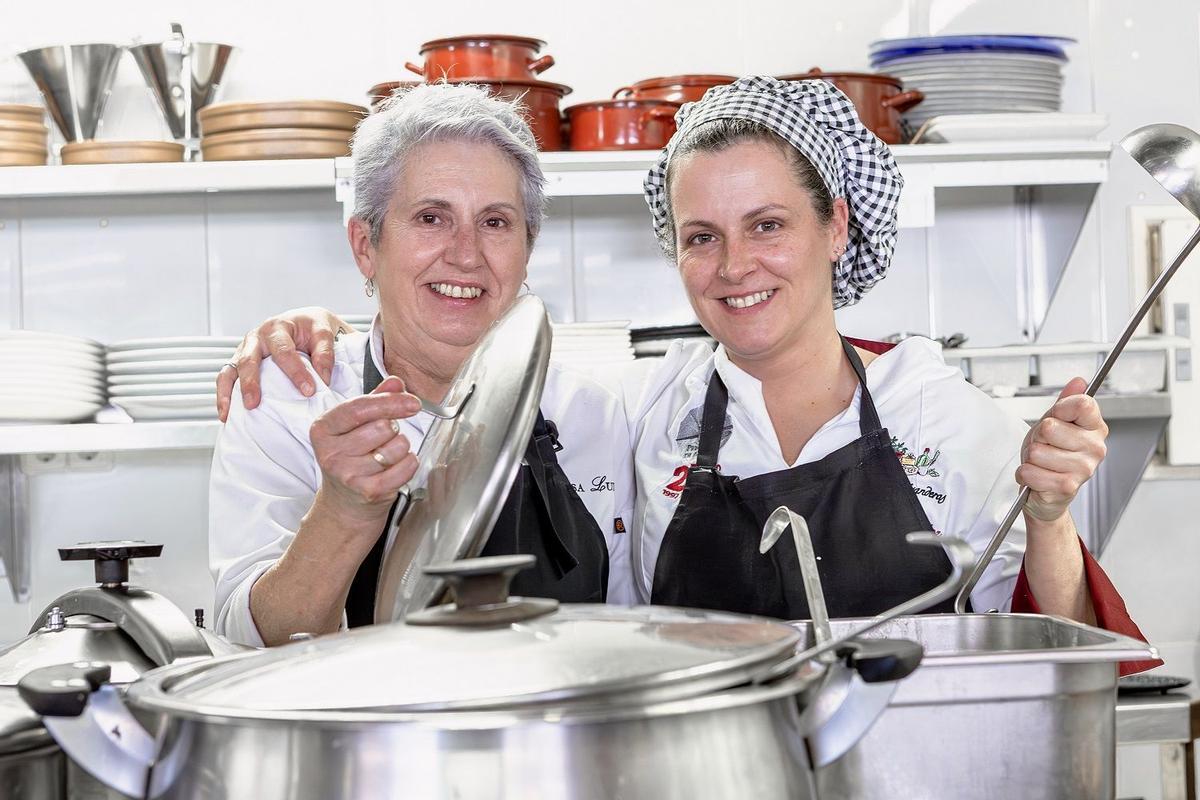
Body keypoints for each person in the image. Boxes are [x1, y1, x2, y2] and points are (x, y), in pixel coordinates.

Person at [221, 77, 1156, 670]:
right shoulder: (647, 405)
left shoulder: (945, 414)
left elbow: (1053, 640)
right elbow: (245, 636)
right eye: (702, 236)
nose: (735, 266)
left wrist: (1048, 516)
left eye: (768, 225)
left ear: (835, 227)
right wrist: (312, 337)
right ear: (366, 243)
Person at [209, 83, 633, 648]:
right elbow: (250, 640)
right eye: (432, 218)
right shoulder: (287, 400)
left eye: (495, 222)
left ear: (527, 250)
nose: (466, 254)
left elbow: (627, 626)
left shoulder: (592, 413)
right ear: (366, 245)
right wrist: (341, 514)